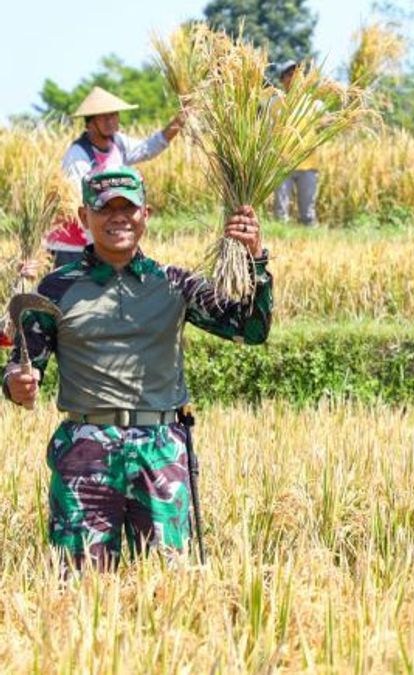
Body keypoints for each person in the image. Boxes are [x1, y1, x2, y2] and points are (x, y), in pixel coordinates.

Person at [3, 166, 273, 570]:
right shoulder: (55, 289)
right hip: (85, 451)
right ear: (83, 218)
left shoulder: (174, 283)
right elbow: (22, 367)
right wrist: (17, 384)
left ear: (145, 213)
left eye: (127, 208)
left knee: (169, 584)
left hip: (160, 448)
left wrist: (254, 260)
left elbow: (249, 329)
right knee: (80, 587)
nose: (118, 217)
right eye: (105, 208)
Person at [49, 87, 187, 267]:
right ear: (90, 123)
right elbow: (80, 202)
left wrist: (181, 119)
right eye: (105, 117)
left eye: (114, 115)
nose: (111, 121)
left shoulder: (118, 143)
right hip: (74, 245)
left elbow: (149, 148)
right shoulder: (77, 156)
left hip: (102, 238)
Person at [272, 61, 321, 226]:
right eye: (289, 74)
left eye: (297, 74)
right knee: (280, 212)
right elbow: (266, 132)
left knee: (308, 213)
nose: (294, 77)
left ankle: (310, 241)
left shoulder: (313, 103)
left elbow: (326, 122)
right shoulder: (274, 104)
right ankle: (281, 238)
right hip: (282, 165)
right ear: (282, 79)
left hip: (308, 164)